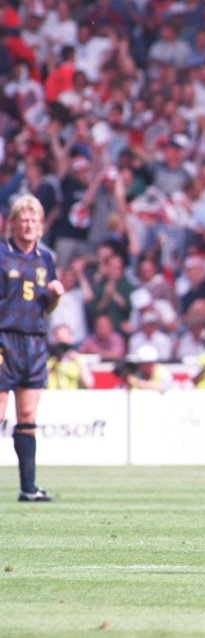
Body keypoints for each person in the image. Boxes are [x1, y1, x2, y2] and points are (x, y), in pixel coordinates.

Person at [0, 194, 64, 502]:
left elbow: (48, 308)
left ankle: (28, 488)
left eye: (33, 220)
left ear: (40, 225)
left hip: (34, 341)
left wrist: (56, 296)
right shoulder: (1, 254)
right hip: (3, 338)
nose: (28, 225)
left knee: (27, 413)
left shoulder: (46, 258)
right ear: (11, 223)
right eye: (23, 219)